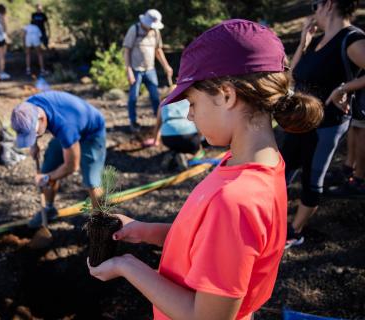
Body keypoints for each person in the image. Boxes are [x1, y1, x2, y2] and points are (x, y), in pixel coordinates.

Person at [88, 19, 324, 320]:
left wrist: (128, 266)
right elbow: (209, 244)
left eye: (193, 102)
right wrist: (146, 230)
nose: (189, 115)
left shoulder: (236, 199)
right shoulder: (251, 165)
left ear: (226, 95)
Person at [284, 0, 365, 247]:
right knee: (282, 169)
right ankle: (271, 219)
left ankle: (295, 232)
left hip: (326, 124)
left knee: (312, 176)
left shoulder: (351, 39)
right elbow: (291, 76)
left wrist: (345, 88)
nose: (313, 12)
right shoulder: (318, 40)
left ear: (328, 5)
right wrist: (303, 44)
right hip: (299, 120)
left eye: (314, 5)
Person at [11, 90, 106, 226]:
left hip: (92, 132)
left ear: (42, 120)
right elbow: (31, 127)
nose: (34, 136)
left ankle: (101, 220)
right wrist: (33, 144)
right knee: (49, 167)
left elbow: (72, 166)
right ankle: (49, 209)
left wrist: (47, 178)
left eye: (35, 134)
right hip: (66, 127)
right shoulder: (25, 109)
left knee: (92, 180)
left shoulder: (65, 127)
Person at [123, 9, 173, 132]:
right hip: (136, 70)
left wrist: (166, 66)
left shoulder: (155, 32)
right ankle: (133, 122)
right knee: (133, 97)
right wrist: (128, 70)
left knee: (155, 97)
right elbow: (127, 50)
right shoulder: (134, 29)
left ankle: (159, 122)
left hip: (150, 70)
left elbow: (158, 50)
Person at [143, 99, 203, 170]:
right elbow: (198, 121)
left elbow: (158, 125)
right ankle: (186, 156)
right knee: (199, 150)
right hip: (188, 136)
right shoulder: (189, 100)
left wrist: (155, 141)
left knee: (176, 144)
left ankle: (173, 154)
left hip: (168, 138)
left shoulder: (163, 102)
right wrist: (199, 138)